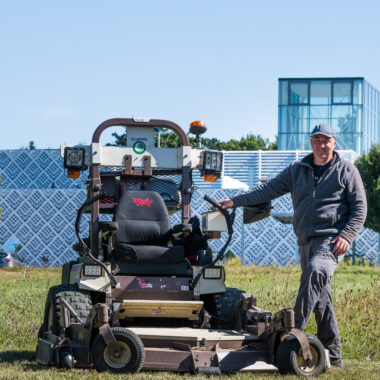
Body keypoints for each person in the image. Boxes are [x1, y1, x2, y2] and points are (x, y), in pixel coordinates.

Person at [218, 124, 367, 367]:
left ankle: (292, 329)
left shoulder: (347, 171)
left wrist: (347, 236)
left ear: (334, 143)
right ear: (311, 143)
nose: (321, 145)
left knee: (316, 271)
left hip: (331, 240)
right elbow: (267, 190)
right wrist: (235, 201)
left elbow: (360, 209)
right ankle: (334, 355)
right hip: (304, 239)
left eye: (326, 141)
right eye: (316, 140)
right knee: (320, 298)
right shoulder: (297, 170)